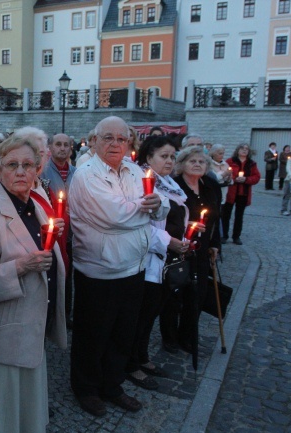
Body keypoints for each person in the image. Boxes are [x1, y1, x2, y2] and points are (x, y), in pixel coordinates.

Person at [0, 134, 67, 433]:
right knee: (2, 417)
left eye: (28, 165)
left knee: (25, 414)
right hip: (1, 339)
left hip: (29, 330)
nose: (21, 172)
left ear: (37, 170)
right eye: (12, 165)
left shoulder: (37, 206)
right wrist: (20, 267)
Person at [69, 116, 168, 417]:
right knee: (93, 334)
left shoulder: (135, 169)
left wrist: (152, 206)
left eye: (121, 139)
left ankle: (113, 384)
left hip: (134, 267)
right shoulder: (87, 175)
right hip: (99, 269)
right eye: (108, 138)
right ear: (95, 141)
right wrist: (145, 210)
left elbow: (160, 202)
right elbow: (114, 216)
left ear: (129, 142)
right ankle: (86, 388)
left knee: (122, 333)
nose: (115, 144)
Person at [125, 135, 187, 389]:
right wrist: (168, 241)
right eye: (164, 156)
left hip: (166, 261)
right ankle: (130, 364)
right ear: (148, 157)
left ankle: (142, 356)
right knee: (140, 315)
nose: (170, 161)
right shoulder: (143, 183)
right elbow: (139, 225)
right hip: (147, 259)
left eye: (173, 156)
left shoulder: (170, 184)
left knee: (152, 313)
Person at [163, 146, 221, 354]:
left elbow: (216, 218)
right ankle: (169, 337)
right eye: (192, 161)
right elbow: (171, 219)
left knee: (197, 295)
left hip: (202, 249)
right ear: (182, 164)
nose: (197, 164)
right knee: (174, 294)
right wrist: (191, 226)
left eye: (201, 162)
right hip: (179, 247)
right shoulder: (175, 187)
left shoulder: (210, 186)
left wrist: (215, 244)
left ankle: (187, 336)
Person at [41, 132, 76, 326]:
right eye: (59, 144)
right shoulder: (44, 172)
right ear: (51, 148)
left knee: (68, 273)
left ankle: (66, 312)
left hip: (71, 234)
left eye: (66, 145)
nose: (62, 148)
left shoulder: (75, 172)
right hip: (52, 232)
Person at [222, 144, 261, 245]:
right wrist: (234, 178)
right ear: (237, 150)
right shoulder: (230, 161)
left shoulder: (252, 163)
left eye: (246, 149)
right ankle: (224, 235)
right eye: (242, 149)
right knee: (226, 215)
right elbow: (225, 173)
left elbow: (256, 177)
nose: (244, 151)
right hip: (231, 192)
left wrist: (246, 179)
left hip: (243, 192)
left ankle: (236, 236)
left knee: (239, 216)